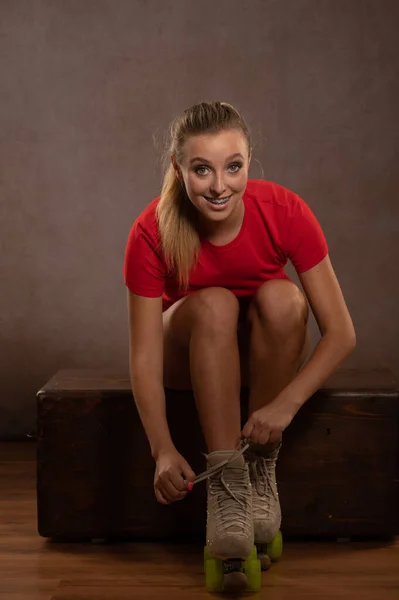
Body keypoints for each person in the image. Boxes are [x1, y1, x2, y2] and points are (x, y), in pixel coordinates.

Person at [123, 101, 356, 560]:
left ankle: (259, 468)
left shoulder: (284, 210)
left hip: (262, 358)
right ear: (178, 168)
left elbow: (342, 333)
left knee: (285, 297)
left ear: (249, 160)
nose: (219, 186)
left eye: (233, 167)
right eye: (202, 169)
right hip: (187, 356)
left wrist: (285, 407)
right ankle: (227, 485)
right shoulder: (151, 229)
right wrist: (162, 450)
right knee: (215, 302)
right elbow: (145, 356)